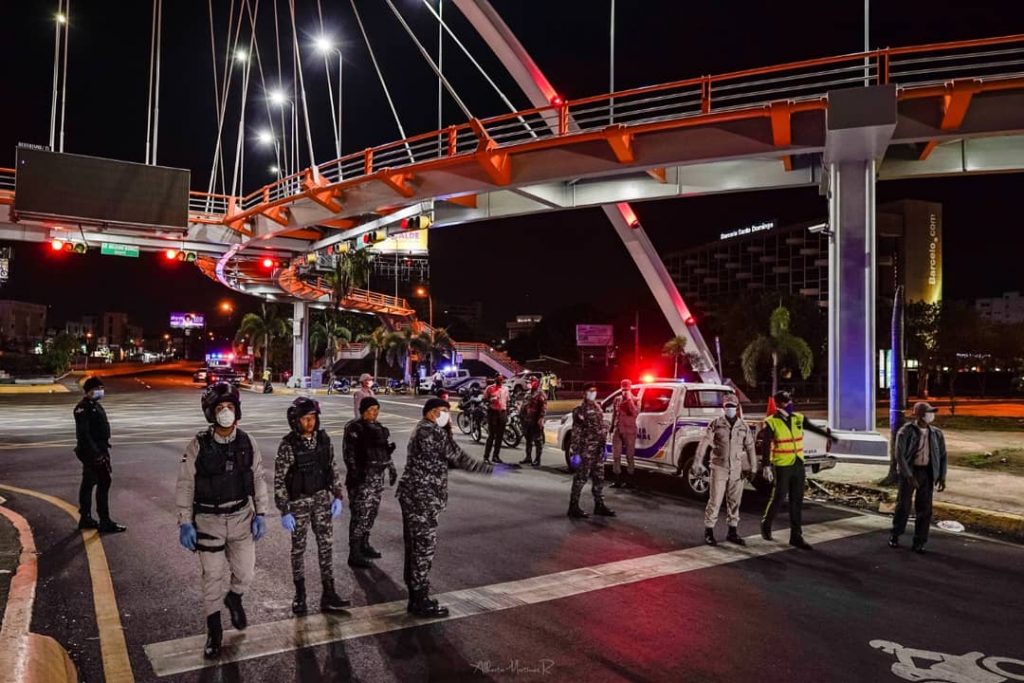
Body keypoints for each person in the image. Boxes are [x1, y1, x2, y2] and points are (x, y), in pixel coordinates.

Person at [176, 383, 269, 658]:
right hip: (208, 520)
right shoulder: (198, 446)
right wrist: (185, 521)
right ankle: (214, 631)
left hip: (241, 517)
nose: (225, 412)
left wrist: (262, 513)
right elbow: (185, 484)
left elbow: (258, 478)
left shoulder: (247, 442)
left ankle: (235, 597)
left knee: (246, 573)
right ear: (210, 413)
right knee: (212, 578)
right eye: (220, 408)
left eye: (229, 407)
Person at [398, 398, 499, 617]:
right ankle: (419, 601)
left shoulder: (424, 430)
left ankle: (417, 595)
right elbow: (459, 457)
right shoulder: (432, 432)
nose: (448, 416)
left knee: (415, 547)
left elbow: (442, 460)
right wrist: (490, 470)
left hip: (415, 496)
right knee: (423, 549)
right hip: (422, 499)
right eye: (445, 412)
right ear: (434, 412)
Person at [274, 397, 350, 615]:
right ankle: (300, 595)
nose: (310, 423)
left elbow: (332, 468)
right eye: (305, 419)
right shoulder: (288, 445)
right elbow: (279, 480)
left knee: (326, 547)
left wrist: (337, 495)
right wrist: (284, 509)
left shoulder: (323, 441)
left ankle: (329, 593)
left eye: (313, 418)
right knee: (298, 550)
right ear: (296, 420)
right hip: (298, 504)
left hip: (321, 501)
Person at [759, 390, 834, 550]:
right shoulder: (771, 422)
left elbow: (812, 428)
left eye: (789, 401)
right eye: (785, 402)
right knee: (779, 497)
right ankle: (766, 524)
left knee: (797, 500)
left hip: (798, 464)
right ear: (778, 404)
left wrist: (829, 436)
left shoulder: (798, 418)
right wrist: (766, 465)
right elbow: (766, 444)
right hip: (782, 465)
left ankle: (796, 536)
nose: (788, 404)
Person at [692, 396, 756, 545]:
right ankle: (709, 531)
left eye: (732, 406)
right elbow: (705, 442)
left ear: (737, 407)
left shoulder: (743, 426)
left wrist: (753, 468)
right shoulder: (716, 424)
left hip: (736, 470)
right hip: (719, 468)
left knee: (734, 502)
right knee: (715, 501)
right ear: (723, 407)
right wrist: (697, 460)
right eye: (727, 406)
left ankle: (732, 532)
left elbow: (750, 447)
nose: (730, 409)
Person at [343, 397, 398, 568]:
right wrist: (355, 474)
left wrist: (392, 468)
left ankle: (364, 545)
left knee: (371, 514)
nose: (374, 412)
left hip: (376, 479)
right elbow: (349, 455)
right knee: (359, 516)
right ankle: (355, 552)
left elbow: (385, 451)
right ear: (363, 410)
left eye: (376, 409)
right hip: (362, 479)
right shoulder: (354, 428)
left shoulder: (379, 428)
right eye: (370, 409)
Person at [890, 402, 948, 553]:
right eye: (928, 412)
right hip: (910, 472)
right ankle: (896, 534)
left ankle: (919, 541)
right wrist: (909, 475)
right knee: (903, 506)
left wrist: (941, 476)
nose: (931, 415)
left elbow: (942, 456)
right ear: (920, 415)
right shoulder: (906, 431)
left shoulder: (936, 433)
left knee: (925, 509)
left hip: (927, 473)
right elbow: (900, 455)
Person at [73, 377, 126, 533]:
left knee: (89, 483)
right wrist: (96, 454)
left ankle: (86, 517)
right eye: (98, 388)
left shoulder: (94, 405)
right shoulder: (83, 408)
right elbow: (84, 434)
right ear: (89, 390)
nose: (101, 391)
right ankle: (104, 521)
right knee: (104, 482)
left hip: (99, 450)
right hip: (93, 453)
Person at [567, 384, 615, 519]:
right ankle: (573, 506)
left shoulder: (598, 407)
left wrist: (604, 447)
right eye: (590, 391)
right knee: (581, 479)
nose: (593, 393)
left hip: (598, 450)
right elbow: (576, 432)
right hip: (586, 450)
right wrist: (575, 452)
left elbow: (600, 429)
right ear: (584, 393)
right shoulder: (580, 410)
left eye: (594, 391)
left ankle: (599, 505)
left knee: (599, 478)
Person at [609, 380, 639, 489]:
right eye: (623, 389)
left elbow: (635, 413)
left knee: (629, 456)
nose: (624, 391)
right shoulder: (617, 399)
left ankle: (630, 481)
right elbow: (614, 414)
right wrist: (611, 427)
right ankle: (617, 480)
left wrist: (629, 400)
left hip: (630, 431)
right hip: (618, 430)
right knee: (616, 455)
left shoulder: (635, 400)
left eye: (627, 389)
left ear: (630, 389)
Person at [517, 378, 547, 466]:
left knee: (538, 441)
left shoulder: (541, 394)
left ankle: (537, 459)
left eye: (531, 382)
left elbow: (543, 408)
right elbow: (525, 405)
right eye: (529, 382)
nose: (530, 384)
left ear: (536, 383)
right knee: (528, 440)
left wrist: (541, 419)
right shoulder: (528, 393)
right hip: (527, 420)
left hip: (536, 421)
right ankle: (528, 457)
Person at [482, 375, 510, 464]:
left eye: (502, 378)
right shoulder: (490, 388)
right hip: (493, 413)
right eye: (499, 378)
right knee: (491, 436)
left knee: (500, 436)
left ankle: (496, 456)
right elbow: (484, 400)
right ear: (495, 379)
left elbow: (507, 401)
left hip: (502, 413)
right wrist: (491, 400)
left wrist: (507, 413)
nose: (500, 380)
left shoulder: (505, 389)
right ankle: (486, 457)